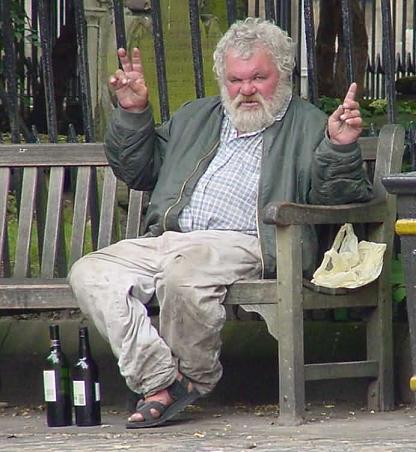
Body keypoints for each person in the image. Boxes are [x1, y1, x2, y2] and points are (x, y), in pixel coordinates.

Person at [69, 17, 372, 428]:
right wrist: (133, 112)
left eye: (258, 78)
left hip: (252, 241)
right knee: (90, 272)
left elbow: (338, 199)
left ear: (283, 74)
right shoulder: (195, 117)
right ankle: (163, 380)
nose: (246, 90)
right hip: (172, 238)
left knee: (183, 276)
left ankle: (185, 379)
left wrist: (339, 148)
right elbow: (138, 171)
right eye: (235, 80)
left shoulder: (309, 125)